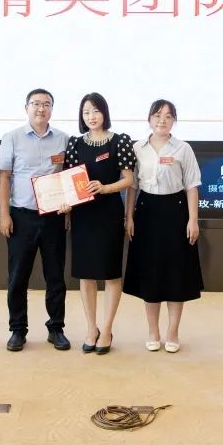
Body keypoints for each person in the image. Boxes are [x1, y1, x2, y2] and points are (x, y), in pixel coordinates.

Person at [123, 99, 203, 353]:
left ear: (174, 121)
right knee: (150, 273)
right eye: (157, 115)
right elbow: (132, 186)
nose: (162, 121)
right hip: (146, 212)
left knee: (176, 273)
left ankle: (172, 332)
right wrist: (129, 217)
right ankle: (153, 331)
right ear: (149, 119)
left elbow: (192, 185)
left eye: (168, 117)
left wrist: (193, 219)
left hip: (176, 212)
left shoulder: (183, 149)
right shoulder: (137, 148)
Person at [0, 89, 71, 352]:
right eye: (36, 104)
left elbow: (68, 178)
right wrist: (4, 214)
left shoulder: (64, 139)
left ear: (52, 109)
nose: (41, 108)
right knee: (18, 277)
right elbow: (4, 178)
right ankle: (17, 330)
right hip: (21, 217)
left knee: (55, 276)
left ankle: (56, 328)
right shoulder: (12, 138)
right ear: (26, 107)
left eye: (46, 104)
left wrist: (68, 212)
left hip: (53, 218)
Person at [61, 92, 135, 355]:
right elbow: (69, 181)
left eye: (95, 111)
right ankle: (91, 328)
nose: (91, 116)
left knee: (111, 273)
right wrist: (66, 207)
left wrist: (105, 188)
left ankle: (106, 329)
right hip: (83, 216)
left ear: (104, 112)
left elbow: (129, 180)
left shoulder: (120, 141)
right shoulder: (75, 143)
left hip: (109, 213)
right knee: (87, 274)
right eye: (86, 112)